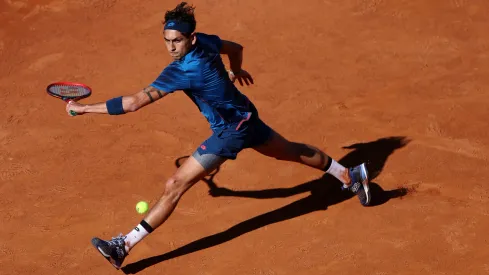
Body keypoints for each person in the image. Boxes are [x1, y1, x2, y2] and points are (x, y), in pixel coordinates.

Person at [66, 2, 371, 270]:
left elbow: (133, 103)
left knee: (175, 185)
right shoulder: (208, 43)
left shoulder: (181, 71)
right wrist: (236, 71)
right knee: (290, 150)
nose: (171, 48)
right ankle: (349, 174)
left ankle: (123, 246)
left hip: (229, 132)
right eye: (167, 41)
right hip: (246, 116)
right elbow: (236, 48)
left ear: (191, 38)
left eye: (177, 41)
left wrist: (83, 110)